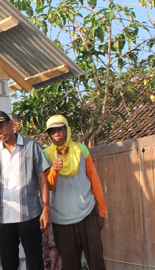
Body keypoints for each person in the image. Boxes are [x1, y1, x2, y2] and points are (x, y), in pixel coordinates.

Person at [0, 110, 51, 270]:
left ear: (11, 124)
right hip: (3, 220)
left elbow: (42, 178)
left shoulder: (31, 146)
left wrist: (46, 209)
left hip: (30, 215)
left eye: (1, 126)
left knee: (36, 262)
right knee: (9, 265)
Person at [43, 115, 107, 270]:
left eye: (60, 129)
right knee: (70, 265)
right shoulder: (46, 155)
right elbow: (48, 186)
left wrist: (102, 211)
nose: (57, 133)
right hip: (62, 220)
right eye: (52, 131)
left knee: (97, 262)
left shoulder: (81, 149)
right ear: (48, 135)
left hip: (88, 214)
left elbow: (94, 181)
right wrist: (54, 170)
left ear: (67, 130)